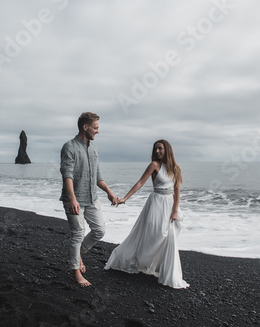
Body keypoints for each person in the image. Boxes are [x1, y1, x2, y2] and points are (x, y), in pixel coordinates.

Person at [105, 139, 189, 289]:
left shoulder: (175, 168)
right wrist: (125, 198)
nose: (157, 151)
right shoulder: (154, 165)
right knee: (155, 235)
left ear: (167, 150)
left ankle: (166, 272)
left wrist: (175, 210)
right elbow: (140, 183)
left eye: (160, 148)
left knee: (169, 237)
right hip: (156, 203)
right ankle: (140, 261)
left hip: (170, 205)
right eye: (155, 149)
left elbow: (177, 190)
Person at [60, 112, 118, 287]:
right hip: (74, 199)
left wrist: (109, 192)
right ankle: (76, 272)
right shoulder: (69, 147)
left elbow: (97, 176)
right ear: (85, 127)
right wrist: (72, 199)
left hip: (92, 198)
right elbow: (67, 175)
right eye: (96, 127)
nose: (98, 131)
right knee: (78, 234)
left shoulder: (94, 149)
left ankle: (78, 255)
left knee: (99, 230)